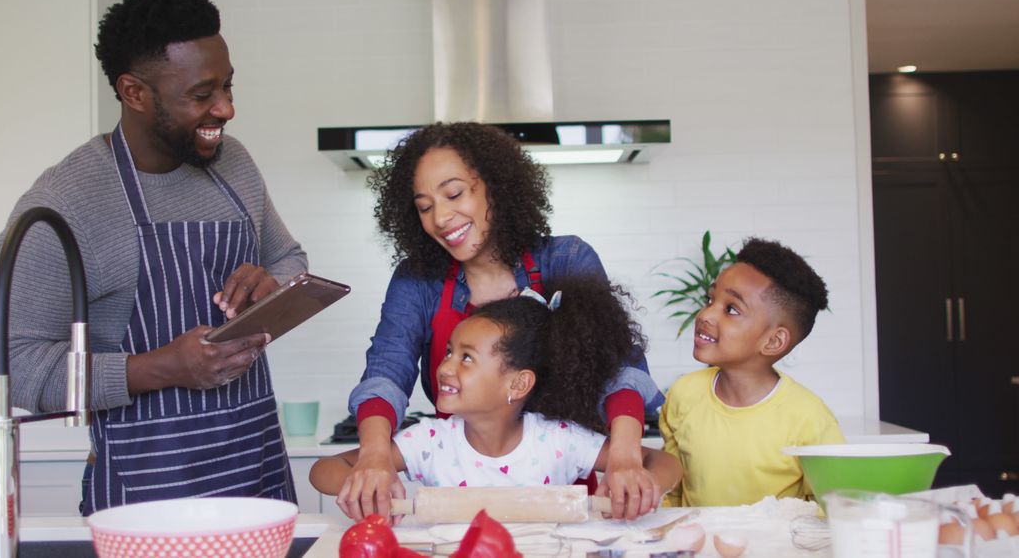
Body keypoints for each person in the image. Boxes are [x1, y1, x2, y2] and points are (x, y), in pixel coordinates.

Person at [0, 0, 307, 514]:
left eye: (227, 85)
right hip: (145, 496)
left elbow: (289, 258)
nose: (226, 108)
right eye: (202, 94)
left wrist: (272, 287)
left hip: (258, 474)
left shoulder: (234, 164)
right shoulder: (65, 203)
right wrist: (164, 368)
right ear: (134, 92)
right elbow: (14, 366)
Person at [343, 121, 665, 523]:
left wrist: (624, 455)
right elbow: (387, 368)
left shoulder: (564, 259)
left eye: (454, 193)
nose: (441, 217)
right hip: (460, 502)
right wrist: (374, 457)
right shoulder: (418, 281)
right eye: (424, 207)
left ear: (495, 185)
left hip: (564, 502)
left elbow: (619, 367)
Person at [312, 278, 682, 511]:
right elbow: (323, 470)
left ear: (518, 384)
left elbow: (665, 465)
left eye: (467, 358)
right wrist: (365, 483)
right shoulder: (431, 442)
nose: (445, 367)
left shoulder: (557, 440)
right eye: (449, 352)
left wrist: (638, 487)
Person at [659, 238, 845, 507]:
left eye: (731, 309)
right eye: (710, 299)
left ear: (773, 341)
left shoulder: (810, 419)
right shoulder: (683, 394)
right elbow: (673, 494)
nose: (706, 315)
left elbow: (831, 509)